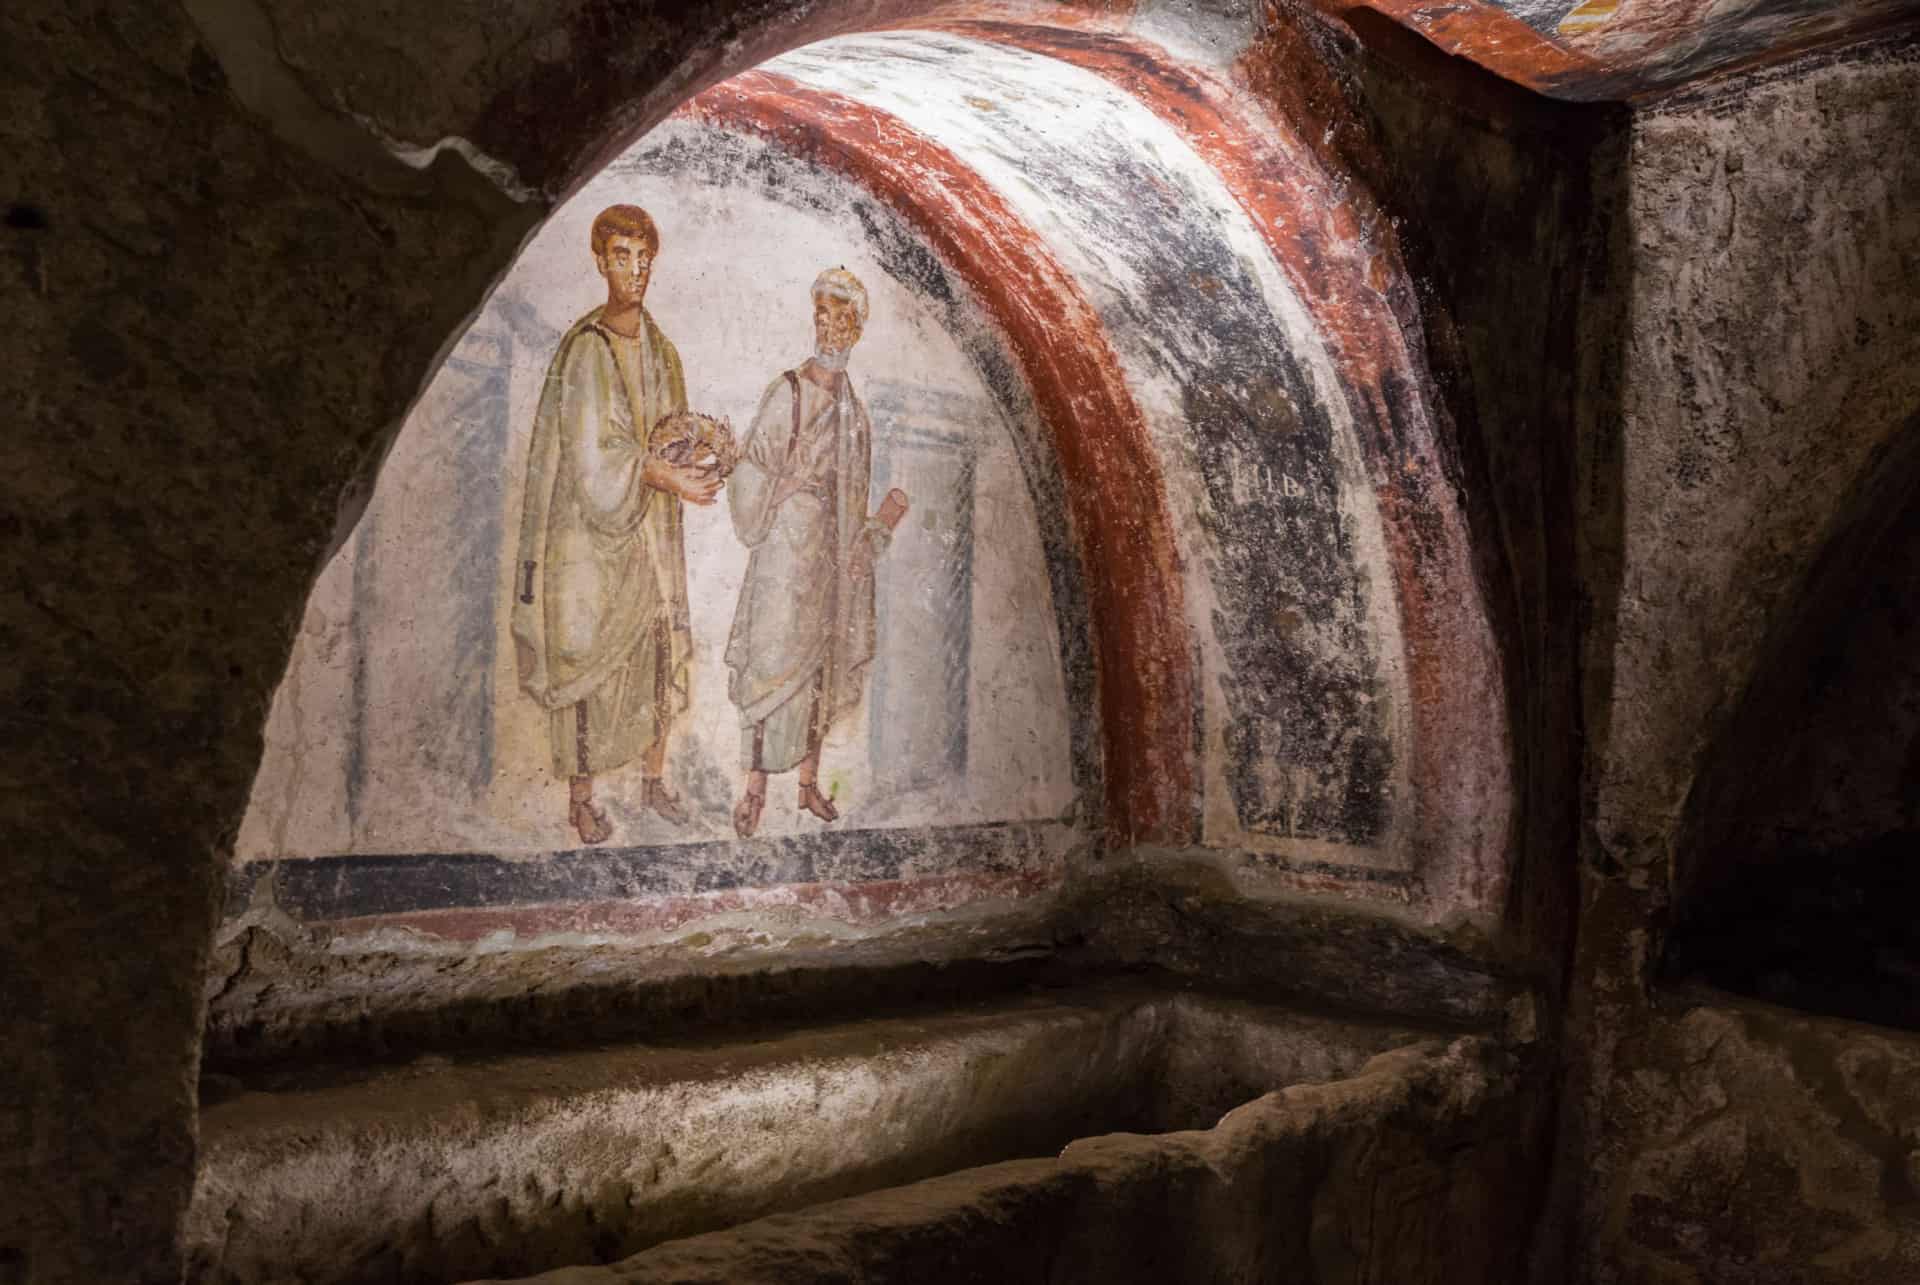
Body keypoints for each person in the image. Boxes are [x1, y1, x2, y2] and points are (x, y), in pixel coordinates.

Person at [510, 204, 721, 845]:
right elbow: (592, 459)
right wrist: (669, 477)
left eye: (644, 259)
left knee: (655, 654)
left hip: (647, 540)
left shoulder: (663, 352)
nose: (635, 271)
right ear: (601, 262)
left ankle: (652, 782)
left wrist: (700, 453)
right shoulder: (586, 350)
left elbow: (667, 435)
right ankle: (581, 800)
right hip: (586, 545)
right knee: (586, 667)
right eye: (623, 257)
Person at [725, 267, 909, 838]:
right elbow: (750, 470)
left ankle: (807, 786)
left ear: (856, 328)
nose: (830, 328)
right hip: (784, 551)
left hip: (828, 556)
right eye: (822, 316)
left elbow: (853, 500)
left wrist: (873, 530)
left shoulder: (855, 412)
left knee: (820, 675)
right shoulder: (788, 392)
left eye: (841, 319)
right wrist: (781, 486)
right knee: (768, 667)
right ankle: (754, 791)